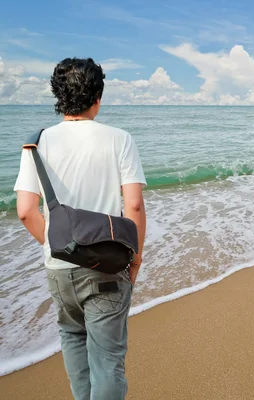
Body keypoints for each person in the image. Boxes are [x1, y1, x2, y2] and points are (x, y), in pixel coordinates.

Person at [14, 58, 146, 400]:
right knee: (108, 361)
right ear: (98, 97)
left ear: (58, 95)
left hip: (59, 267)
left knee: (72, 338)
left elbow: (26, 212)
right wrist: (136, 260)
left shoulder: (36, 143)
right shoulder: (119, 139)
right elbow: (133, 206)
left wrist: (62, 247)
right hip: (107, 265)